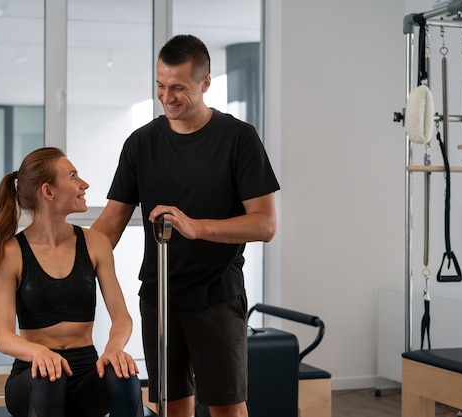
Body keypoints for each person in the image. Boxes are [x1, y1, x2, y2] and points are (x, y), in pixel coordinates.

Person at [91, 34, 280, 417]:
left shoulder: (239, 139)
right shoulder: (141, 143)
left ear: (205, 83)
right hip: (160, 299)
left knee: (228, 408)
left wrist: (197, 228)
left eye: (178, 87)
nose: (167, 96)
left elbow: (265, 224)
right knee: (170, 407)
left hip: (217, 296)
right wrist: (58, 259)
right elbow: (109, 224)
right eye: (160, 85)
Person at [0, 147, 144, 417]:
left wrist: (114, 348)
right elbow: (4, 337)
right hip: (33, 377)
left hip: (86, 376)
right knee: (49, 376)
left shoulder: (95, 243)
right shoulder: (11, 252)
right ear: (48, 192)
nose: (84, 184)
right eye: (73, 176)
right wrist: (39, 353)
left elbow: (122, 317)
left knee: (123, 374)